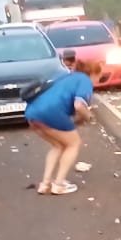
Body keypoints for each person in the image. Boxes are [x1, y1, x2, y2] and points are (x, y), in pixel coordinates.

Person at [24, 59, 104, 196]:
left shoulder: (67, 77)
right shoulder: (84, 80)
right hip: (51, 113)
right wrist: (89, 117)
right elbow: (79, 105)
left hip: (32, 113)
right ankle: (59, 184)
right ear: (93, 73)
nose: (98, 81)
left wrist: (76, 120)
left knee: (58, 146)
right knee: (74, 144)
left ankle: (45, 184)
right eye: (99, 77)